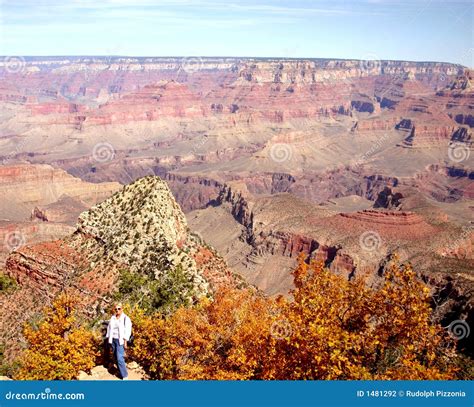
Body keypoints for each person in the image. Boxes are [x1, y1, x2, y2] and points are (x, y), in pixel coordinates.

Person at [105, 303, 132, 380]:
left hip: (120, 340)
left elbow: (128, 330)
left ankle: (125, 375)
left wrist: (125, 341)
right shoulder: (113, 317)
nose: (117, 310)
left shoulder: (126, 318)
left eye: (119, 308)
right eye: (116, 309)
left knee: (120, 357)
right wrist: (108, 339)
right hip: (112, 339)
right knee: (115, 356)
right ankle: (120, 371)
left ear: (122, 309)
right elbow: (109, 328)